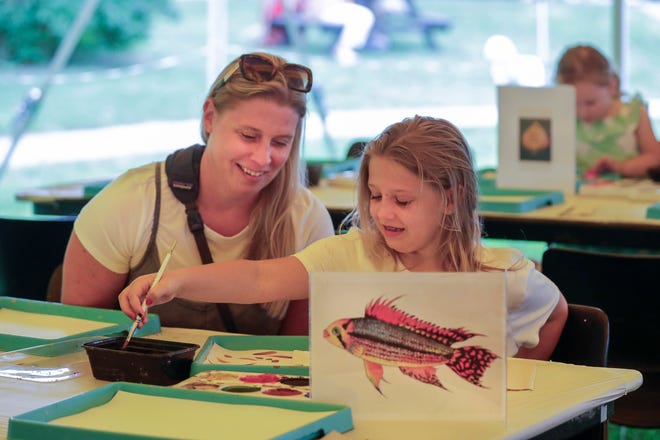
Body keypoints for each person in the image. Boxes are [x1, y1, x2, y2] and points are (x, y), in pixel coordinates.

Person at [119, 115, 568, 360]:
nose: (382, 212)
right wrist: (177, 282)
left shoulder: (498, 273)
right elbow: (260, 281)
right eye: (374, 195)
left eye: (403, 201)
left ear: (451, 199)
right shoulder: (351, 253)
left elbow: (555, 311)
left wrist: (517, 382)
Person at [61, 52, 335, 335]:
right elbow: (77, 335)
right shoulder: (129, 202)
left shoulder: (307, 219)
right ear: (209, 118)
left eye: (280, 142)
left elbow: (302, 353)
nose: (262, 158)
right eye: (248, 136)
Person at [555, 44, 660, 178]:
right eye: (573, 103)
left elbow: (655, 158)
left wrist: (620, 167)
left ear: (612, 86)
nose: (582, 113)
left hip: (627, 195)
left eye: (590, 103)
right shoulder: (561, 117)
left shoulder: (633, 114)